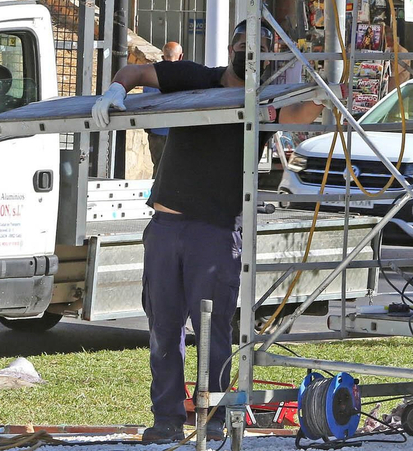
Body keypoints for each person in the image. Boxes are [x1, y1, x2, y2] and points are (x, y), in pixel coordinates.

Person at [107, 22, 321, 444]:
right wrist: (115, 93)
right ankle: (167, 418)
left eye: (260, 49)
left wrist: (315, 74)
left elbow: (307, 111)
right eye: (243, 45)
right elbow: (132, 74)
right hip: (167, 226)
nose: (249, 53)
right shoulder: (195, 77)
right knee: (163, 328)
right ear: (230, 48)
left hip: (217, 232)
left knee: (214, 330)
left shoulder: (265, 100)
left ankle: (216, 418)